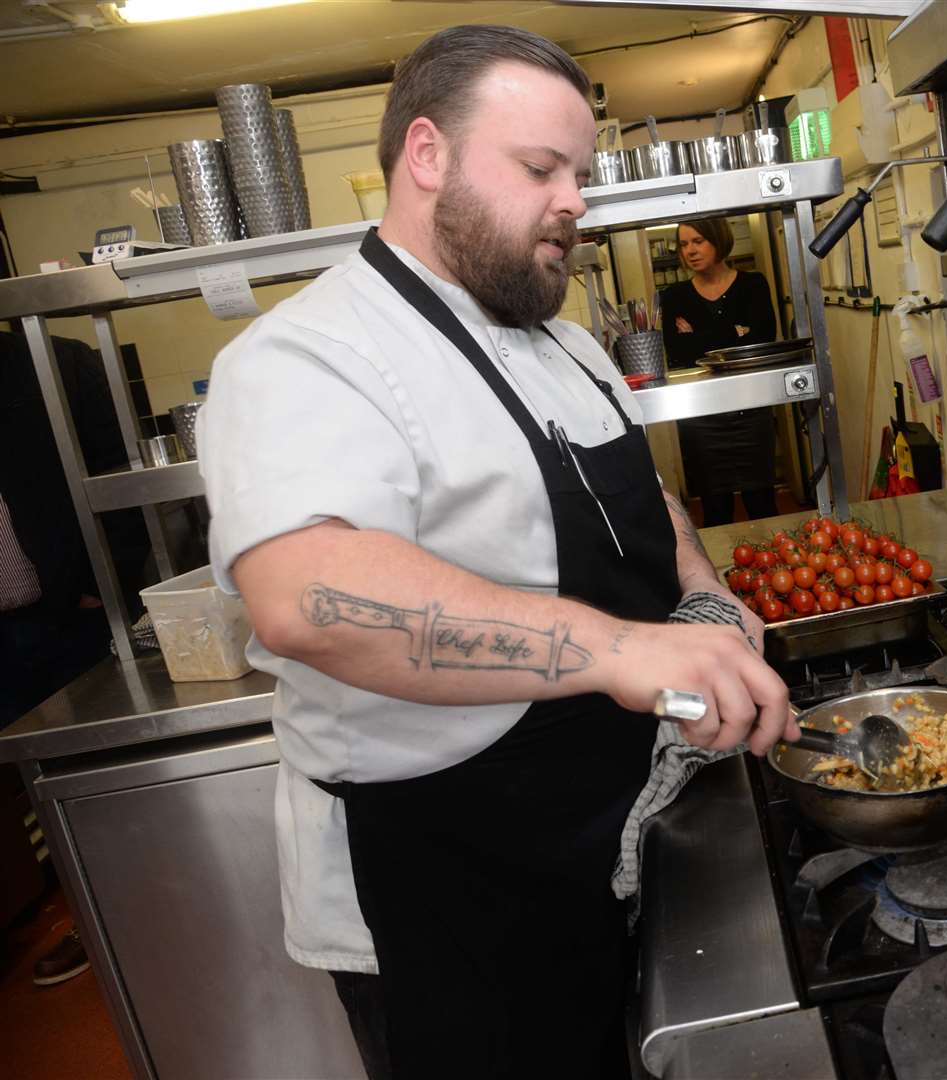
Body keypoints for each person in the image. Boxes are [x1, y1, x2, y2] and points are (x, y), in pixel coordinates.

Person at [198, 26, 795, 1080]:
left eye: (582, 174)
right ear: (426, 155)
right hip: (448, 897)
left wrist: (698, 596)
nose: (575, 201)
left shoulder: (561, 338)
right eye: (539, 169)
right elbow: (303, 595)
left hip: (603, 842)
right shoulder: (305, 356)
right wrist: (615, 649)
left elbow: (639, 495)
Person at [2, 327, 152, 986]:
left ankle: (143, 913)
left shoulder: (50, 362)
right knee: (34, 794)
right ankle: (89, 921)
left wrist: (105, 579)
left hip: (66, 614)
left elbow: (118, 470)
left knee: (108, 778)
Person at [658, 217, 780, 526]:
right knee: (715, 511)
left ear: (718, 240)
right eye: (684, 244)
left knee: (762, 504)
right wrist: (736, 332)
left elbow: (763, 338)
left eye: (698, 241)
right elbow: (678, 352)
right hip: (702, 418)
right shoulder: (674, 297)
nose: (690, 251)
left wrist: (698, 335)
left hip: (751, 411)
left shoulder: (753, 284)